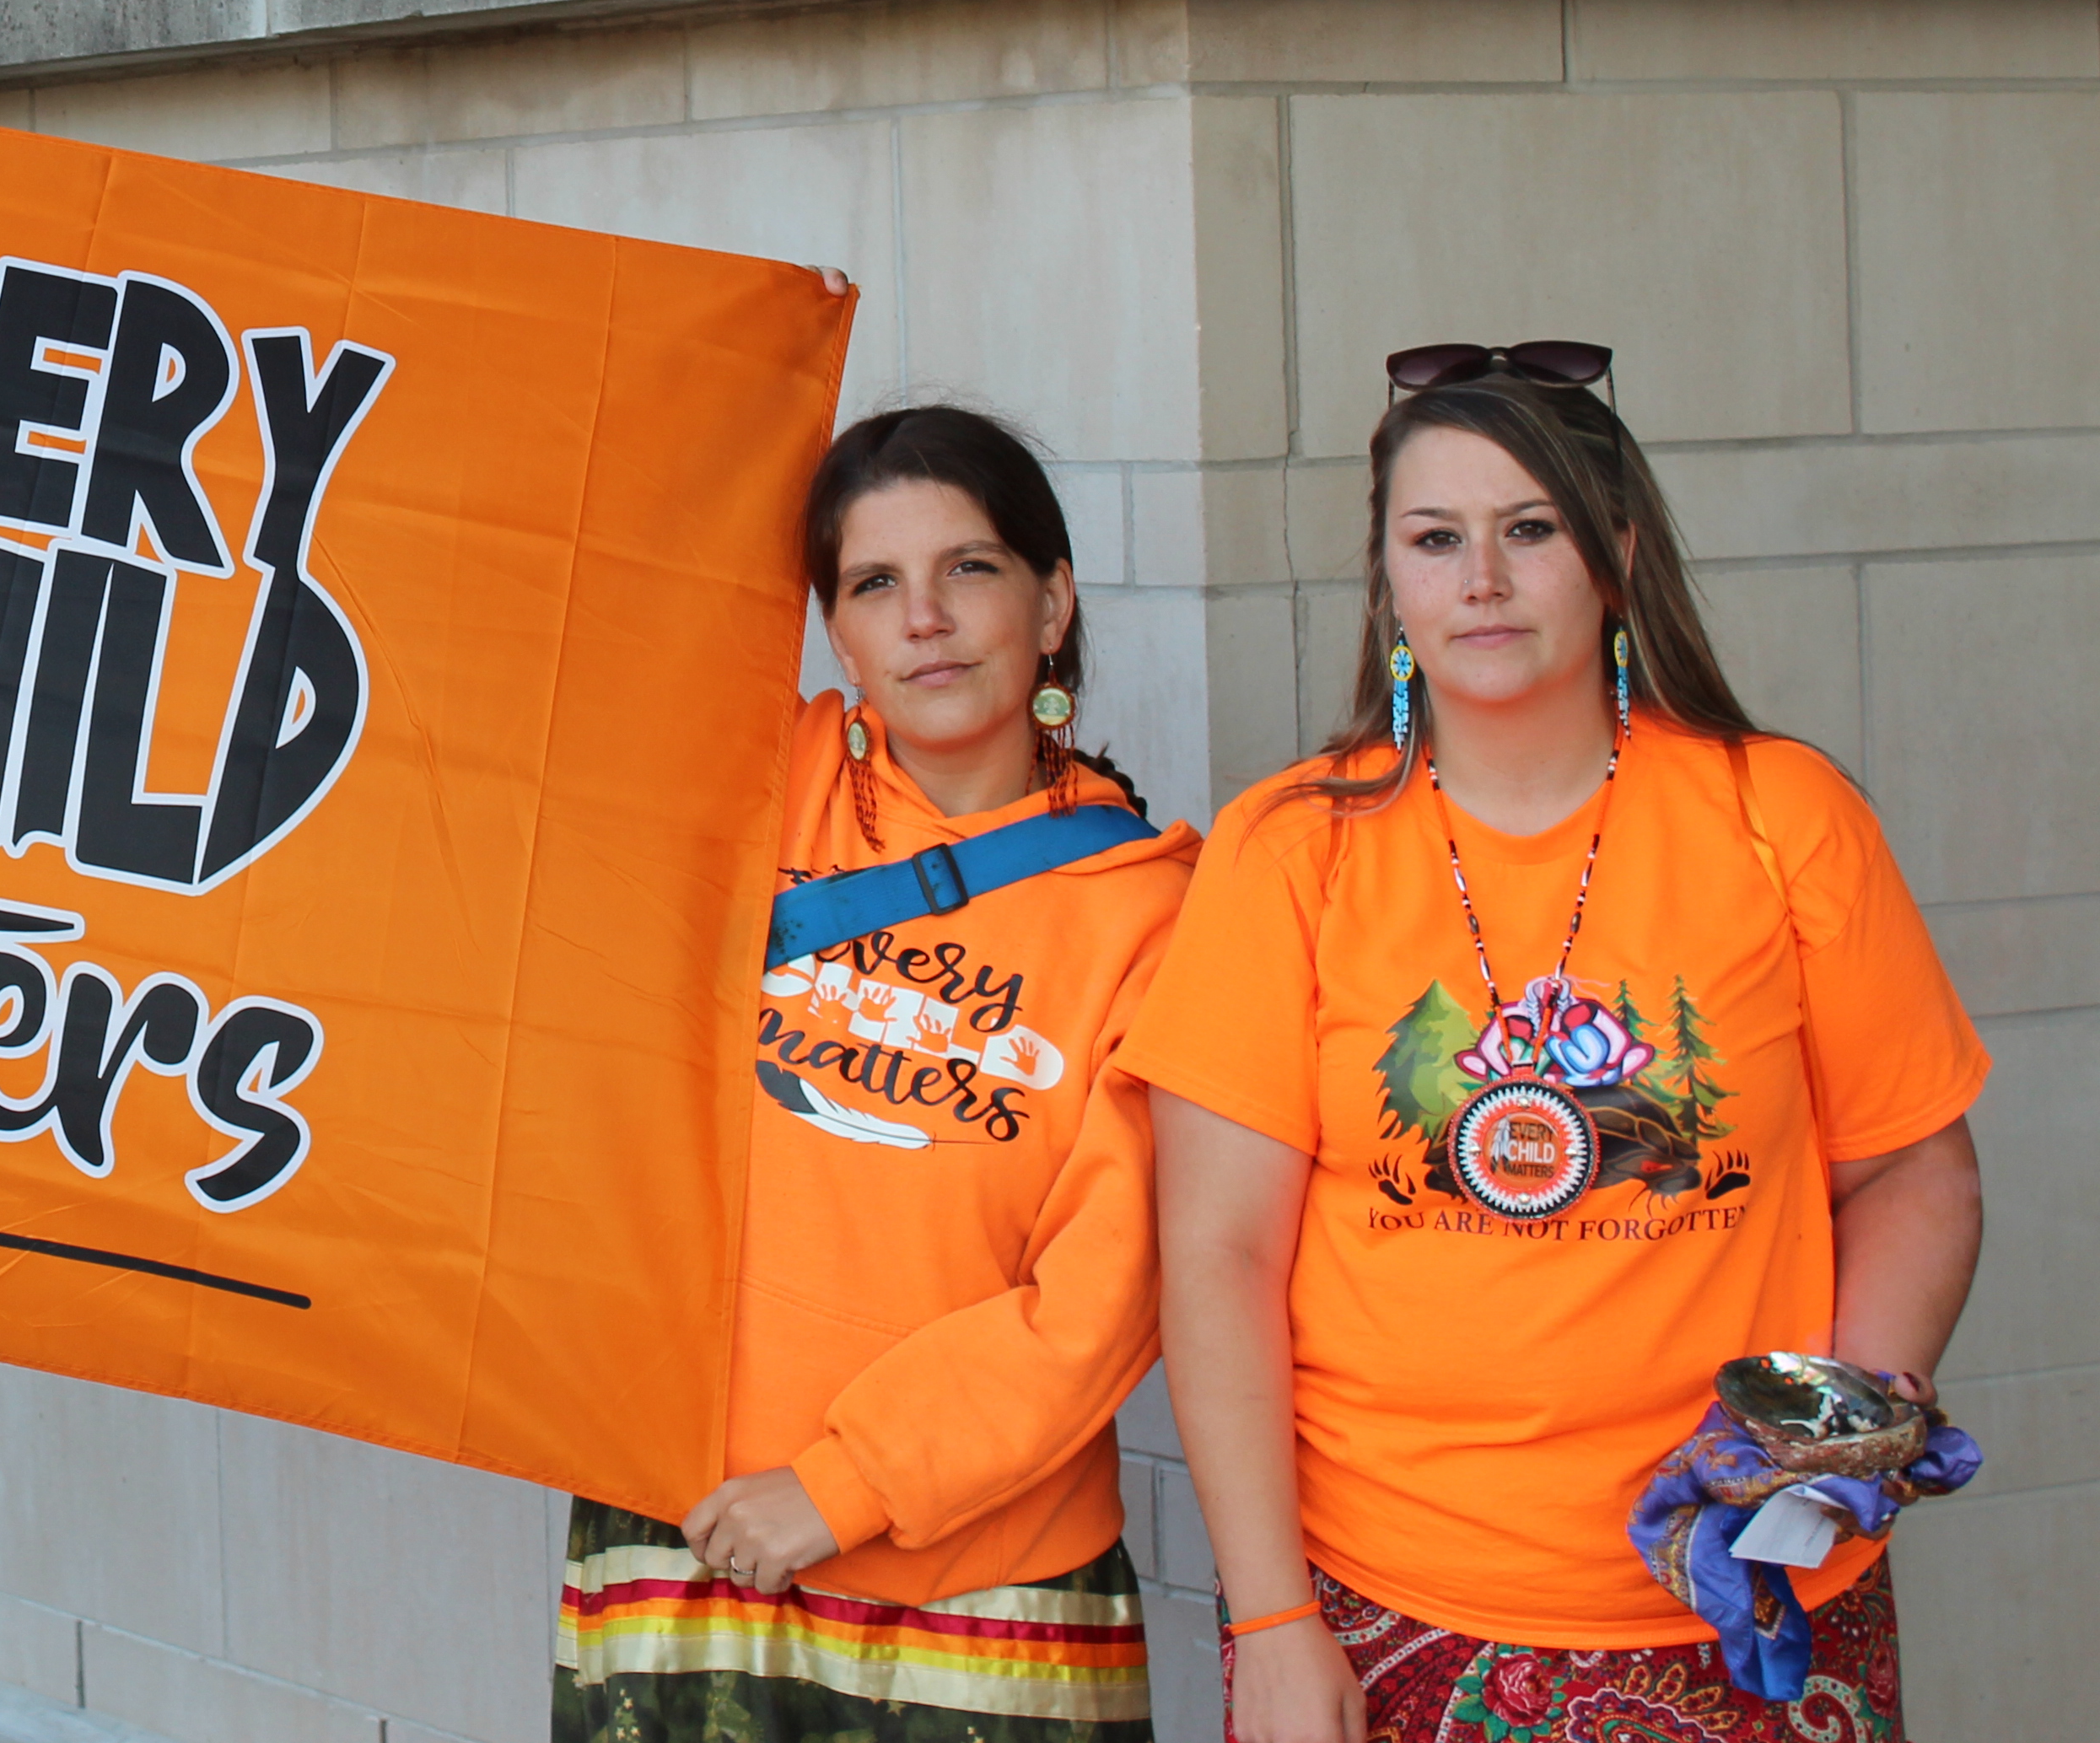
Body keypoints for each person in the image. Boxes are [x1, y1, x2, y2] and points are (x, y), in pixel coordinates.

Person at [1130, 345, 1990, 1743]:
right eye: (1436, 538)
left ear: (1616, 556)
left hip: (1745, 1594)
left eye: (1531, 530)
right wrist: (1271, 1620)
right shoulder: (1290, 852)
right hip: (1385, 1599)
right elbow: (1219, 1256)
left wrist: (1825, 1456)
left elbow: (1915, 1173)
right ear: (1389, 578)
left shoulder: (1783, 815)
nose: (1482, 577)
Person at [561, 406, 1198, 1740]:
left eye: (969, 568)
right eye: (873, 584)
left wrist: (845, 1486)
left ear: (1055, 600)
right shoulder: (751, 782)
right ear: (834, 633)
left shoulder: (1159, 911)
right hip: (694, 1540)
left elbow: (1106, 1295)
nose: (926, 618)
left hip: (985, 1594)